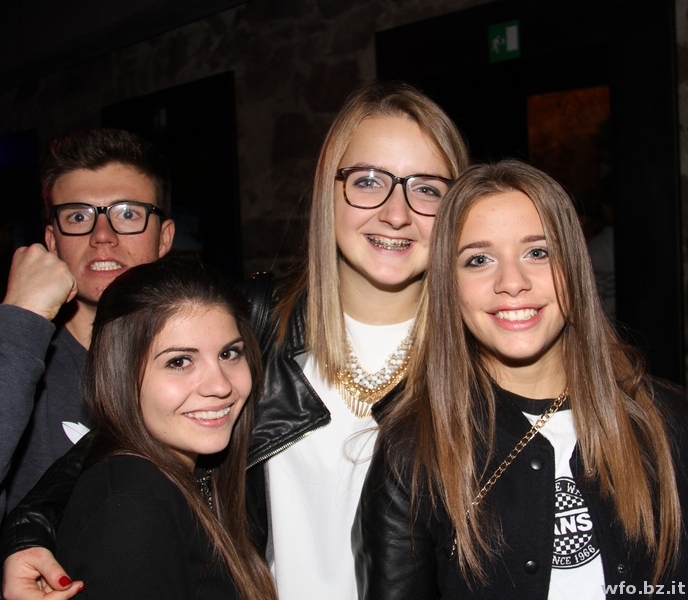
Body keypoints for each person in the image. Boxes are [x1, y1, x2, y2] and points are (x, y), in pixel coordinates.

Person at [0, 81, 470, 600]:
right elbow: (112, 445)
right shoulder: (255, 321)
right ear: (327, 191)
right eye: (368, 181)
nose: (396, 213)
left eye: (427, 188)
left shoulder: (481, 351)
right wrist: (26, 537)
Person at [353, 159, 688, 599]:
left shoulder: (668, 421)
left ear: (574, 266)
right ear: (449, 285)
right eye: (478, 259)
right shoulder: (413, 451)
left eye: (538, 252)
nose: (512, 282)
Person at [55, 256, 277, 599]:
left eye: (229, 354)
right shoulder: (132, 507)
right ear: (120, 374)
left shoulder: (196, 475)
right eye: (179, 361)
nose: (220, 386)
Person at [0, 128, 175, 517]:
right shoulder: (16, 354)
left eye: (127, 214)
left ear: (164, 239)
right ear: (52, 241)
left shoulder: (204, 360)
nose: (102, 236)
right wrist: (20, 320)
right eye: (78, 216)